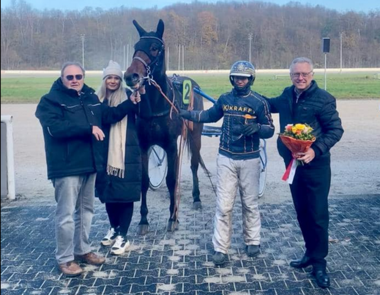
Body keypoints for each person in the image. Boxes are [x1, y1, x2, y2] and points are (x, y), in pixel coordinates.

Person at [35, 62, 133, 277]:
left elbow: (109, 115)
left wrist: (131, 103)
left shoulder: (90, 98)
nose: (74, 80)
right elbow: (54, 129)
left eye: (78, 76)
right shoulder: (50, 101)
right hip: (66, 167)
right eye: (69, 77)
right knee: (66, 215)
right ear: (62, 78)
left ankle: (82, 250)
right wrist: (88, 129)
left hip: (90, 165)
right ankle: (65, 258)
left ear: (84, 77)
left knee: (86, 212)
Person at [180, 61, 274, 266]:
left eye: (244, 77)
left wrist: (258, 127)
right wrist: (187, 114)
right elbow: (208, 116)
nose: (240, 80)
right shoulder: (224, 99)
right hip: (226, 158)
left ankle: (253, 240)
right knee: (224, 206)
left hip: (249, 159)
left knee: (250, 204)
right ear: (232, 78)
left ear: (251, 79)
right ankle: (221, 247)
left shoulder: (259, 102)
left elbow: (270, 129)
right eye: (237, 77)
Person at [266, 57, 344, 288]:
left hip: (316, 167)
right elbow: (268, 105)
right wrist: (244, 92)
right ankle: (310, 253)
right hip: (292, 166)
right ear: (290, 75)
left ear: (312, 75)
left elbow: (336, 130)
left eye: (304, 74)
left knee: (317, 214)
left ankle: (319, 263)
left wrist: (315, 150)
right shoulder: (286, 95)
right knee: (302, 212)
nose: (300, 78)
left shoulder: (323, 99)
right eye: (295, 74)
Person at [95, 60, 150, 255]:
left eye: (116, 78)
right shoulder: (97, 99)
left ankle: (123, 236)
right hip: (105, 155)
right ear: (104, 79)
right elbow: (110, 116)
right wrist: (130, 102)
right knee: (109, 196)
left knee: (125, 195)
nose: (112, 81)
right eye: (109, 77)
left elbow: (146, 114)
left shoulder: (129, 95)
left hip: (127, 154)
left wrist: (142, 96)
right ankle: (114, 228)